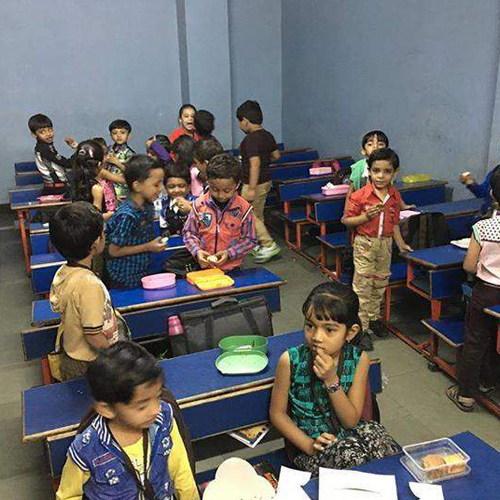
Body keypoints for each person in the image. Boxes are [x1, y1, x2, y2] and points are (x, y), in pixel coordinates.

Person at [269, 282, 400, 476]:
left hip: (351, 434)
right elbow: (277, 414)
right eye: (310, 326)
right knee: (352, 459)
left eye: (329, 330)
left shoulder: (358, 360)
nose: (316, 337)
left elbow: (350, 421)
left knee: (386, 449)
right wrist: (309, 445)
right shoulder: (290, 361)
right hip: (311, 446)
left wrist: (331, 381)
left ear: (351, 332)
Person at [56, 341, 200, 499]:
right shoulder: (87, 448)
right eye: (142, 406)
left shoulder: (163, 420)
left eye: (158, 396)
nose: (156, 409)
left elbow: (181, 472)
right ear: (107, 409)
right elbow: (68, 496)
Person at [342, 148, 412, 344]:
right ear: (369, 171)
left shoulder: (394, 196)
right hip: (365, 243)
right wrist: (365, 217)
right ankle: (361, 327)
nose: (381, 176)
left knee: (380, 282)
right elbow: (346, 220)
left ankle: (373, 318)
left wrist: (401, 244)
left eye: (387, 171)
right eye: (376, 170)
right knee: (363, 286)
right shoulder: (360, 195)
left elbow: (395, 223)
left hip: (385, 244)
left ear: (395, 172)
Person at [49, 202, 125, 381]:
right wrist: (116, 357)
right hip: (89, 362)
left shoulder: (64, 272)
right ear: (96, 243)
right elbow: (93, 335)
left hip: (72, 354)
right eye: (103, 233)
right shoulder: (89, 284)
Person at [447, 169, 500, 412]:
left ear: (492, 194)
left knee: (476, 341)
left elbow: (469, 266)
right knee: (496, 339)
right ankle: (489, 382)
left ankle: (466, 395)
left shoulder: (483, 227)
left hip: (486, 291)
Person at [183, 152, 257, 271]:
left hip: (233, 268)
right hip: (204, 267)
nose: (221, 195)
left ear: (237, 185)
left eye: (227, 191)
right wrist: (197, 251)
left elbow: (250, 240)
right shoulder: (199, 205)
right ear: (208, 182)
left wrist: (230, 253)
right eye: (215, 189)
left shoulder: (244, 209)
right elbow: (189, 233)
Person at [106, 155, 166, 289]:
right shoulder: (127, 215)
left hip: (142, 271)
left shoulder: (147, 205)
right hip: (124, 277)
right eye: (156, 184)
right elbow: (113, 251)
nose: (161, 188)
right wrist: (148, 246)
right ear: (137, 186)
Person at [237, 100, 281, 263]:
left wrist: (251, 187)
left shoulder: (250, 140)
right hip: (266, 181)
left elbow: (254, 163)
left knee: (248, 214)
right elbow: (276, 155)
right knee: (257, 214)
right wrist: (265, 160)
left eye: (239, 122)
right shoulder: (267, 135)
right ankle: (257, 243)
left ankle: (268, 244)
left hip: (253, 183)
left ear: (245, 121)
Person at [70, 140, 117, 221]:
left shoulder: (76, 182)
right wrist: (113, 213)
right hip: (91, 227)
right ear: (99, 164)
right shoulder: (96, 188)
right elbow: (95, 218)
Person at [28, 113, 75, 194]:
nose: (48, 134)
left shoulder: (45, 146)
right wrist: (77, 150)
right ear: (33, 134)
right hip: (56, 188)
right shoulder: (44, 149)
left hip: (56, 185)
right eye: (42, 132)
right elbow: (67, 164)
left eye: (50, 130)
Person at [160, 162, 195, 234]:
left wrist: (191, 210)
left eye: (181, 186)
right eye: (171, 187)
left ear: (189, 186)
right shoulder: (162, 206)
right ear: (165, 187)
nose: (176, 190)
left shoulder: (198, 203)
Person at [106, 119, 135, 200]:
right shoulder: (108, 150)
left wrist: (117, 163)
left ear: (128, 136)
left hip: (122, 190)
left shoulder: (129, 153)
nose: (118, 136)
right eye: (115, 133)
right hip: (108, 188)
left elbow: (132, 172)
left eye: (122, 133)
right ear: (110, 136)